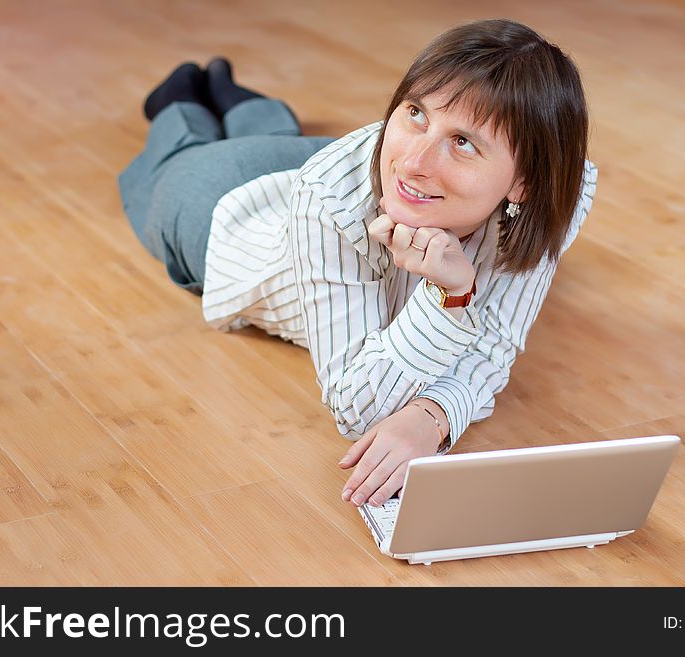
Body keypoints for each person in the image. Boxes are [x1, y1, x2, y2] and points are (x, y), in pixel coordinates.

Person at [117, 19, 598, 511]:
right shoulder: (330, 198)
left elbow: (494, 346)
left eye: (463, 142)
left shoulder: (561, 185)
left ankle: (246, 104)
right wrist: (447, 297)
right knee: (175, 161)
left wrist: (431, 415)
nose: (414, 161)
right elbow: (358, 405)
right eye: (415, 113)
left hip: (309, 165)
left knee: (289, 141)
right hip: (223, 210)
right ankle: (180, 101)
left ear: (524, 183)